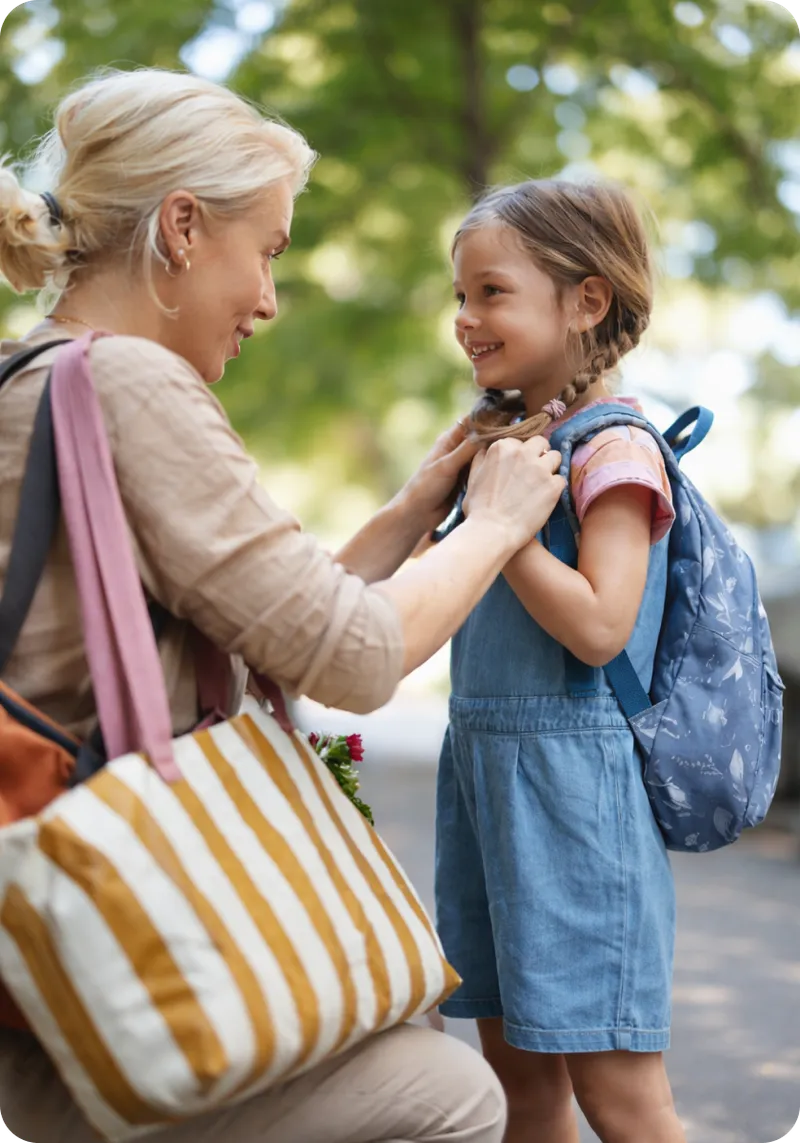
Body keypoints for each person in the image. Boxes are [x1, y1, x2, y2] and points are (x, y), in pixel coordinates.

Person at [0, 69, 567, 1143]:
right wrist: (492, 526)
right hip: (106, 960)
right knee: (449, 1096)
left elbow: (277, 620)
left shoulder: (27, 376)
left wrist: (414, 507)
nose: (267, 299)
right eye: (264, 252)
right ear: (179, 228)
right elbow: (350, 657)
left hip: (41, 947)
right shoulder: (126, 382)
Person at [435, 179, 687, 1143]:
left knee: (621, 1099)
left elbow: (599, 626)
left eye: (491, 292)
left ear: (586, 300)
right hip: (489, 786)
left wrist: (506, 531)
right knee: (519, 1088)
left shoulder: (615, 448)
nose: (466, 318)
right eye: (459, 295)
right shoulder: (511, 443)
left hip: (575, 802)